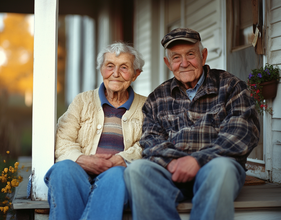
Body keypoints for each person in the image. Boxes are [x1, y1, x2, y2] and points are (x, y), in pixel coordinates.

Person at [124, 28, 260, 220]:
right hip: (171, 171)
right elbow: (151, 140)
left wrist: (197, 161)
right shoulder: (157, 97)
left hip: (215, 168)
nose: (184, 63)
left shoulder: (231, 86)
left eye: (190, 54)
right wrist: (175, 163)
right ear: (168, 63)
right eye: (176, 57)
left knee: (221, 169)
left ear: (203, 56)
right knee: (137, 170)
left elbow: (242, 133)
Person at [44, 42, 147, 220]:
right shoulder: (82, 101)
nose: (115, 74)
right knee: (63, 169)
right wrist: (83, 159)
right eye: (110, 66)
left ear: (136, 74)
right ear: (101, 69)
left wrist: (120, 159)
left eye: (124, 67)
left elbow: (149, 143)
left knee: (117, 175)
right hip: (79, 173)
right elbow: (63, 139)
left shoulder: (147, 106)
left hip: (117, 176)